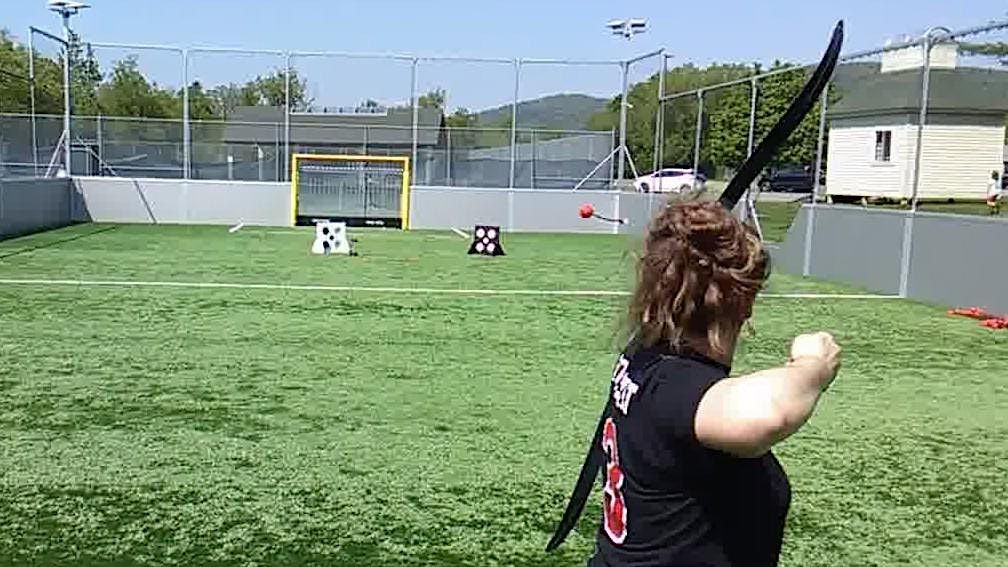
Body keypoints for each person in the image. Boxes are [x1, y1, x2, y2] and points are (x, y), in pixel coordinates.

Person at [587, 200, 842, 567]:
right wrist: (813, 364)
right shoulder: (675, 383)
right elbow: (769, 414)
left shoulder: (643, 358)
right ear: (745, 300)